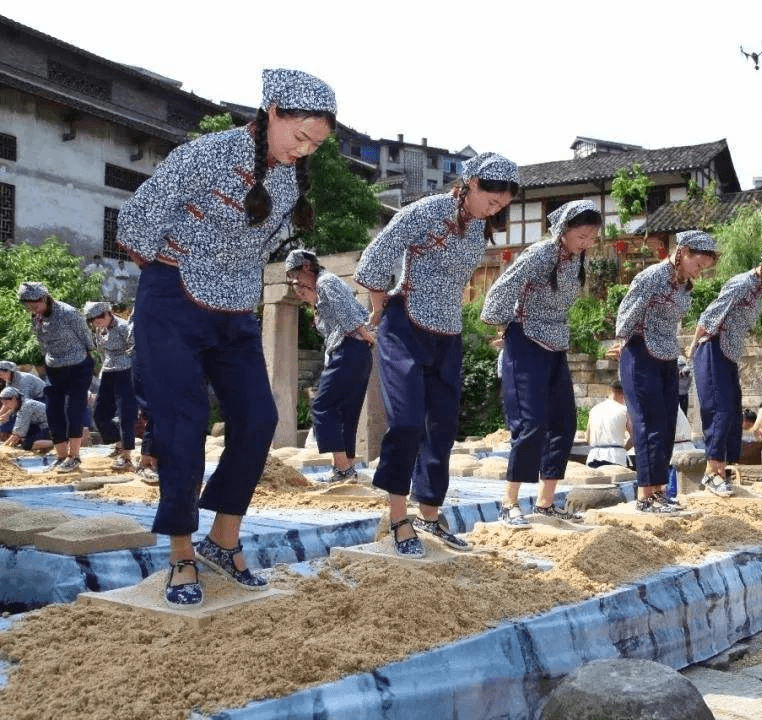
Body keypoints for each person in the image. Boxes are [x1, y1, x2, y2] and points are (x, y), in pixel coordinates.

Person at [118, 68, 336, 607]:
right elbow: (138, 218)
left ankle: (223, 540)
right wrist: (169, 264)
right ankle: (180, 554)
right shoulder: (208, 154)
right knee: (183, 422)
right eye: (300, 136)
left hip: (236, 308)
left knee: (259, 418)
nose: (303, 150)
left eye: (315, 144)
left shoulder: (287, 179)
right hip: (174, 297)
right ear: (272, 114)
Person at [354, 151, 518, 557]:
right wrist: (378, 309)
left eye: (503, 207)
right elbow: (377, 257)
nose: (495, 211)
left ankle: (430, 514)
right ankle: (397, 518)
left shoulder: (478, 228)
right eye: (492, 201)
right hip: (405, 327)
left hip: (448, 334)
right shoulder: (428, 211)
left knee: (441, 429)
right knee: (407, 422)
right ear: (472, 185)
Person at [481, 200, 600, 528]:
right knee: (530, 423)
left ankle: (546, 503)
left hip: (555, 344)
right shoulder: (540, 254)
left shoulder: (576, 261)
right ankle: (510, 503)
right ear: (563, 230)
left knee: (563, 422)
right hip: (526, 338)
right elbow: (502, 289)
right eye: (582, 235)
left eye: (592, 237)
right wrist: (505, 327)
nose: (587, 242)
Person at [611, 230, 716, 513]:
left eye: (704, 268)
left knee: (667, 425)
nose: (699, 272)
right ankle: (645, 496)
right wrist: (622, 341)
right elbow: (626, 312)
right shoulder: (652, 277)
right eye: (698, 264)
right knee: (647, 424)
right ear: (683, 253)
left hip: (667, 355)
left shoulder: (684, 286)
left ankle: (658, 493)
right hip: (641, 351)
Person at [693, 247, 762, 496]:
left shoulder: (756, 290)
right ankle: (712, 473)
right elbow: (709, 317)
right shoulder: (742, 283)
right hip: (712, 347)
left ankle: (719, 471)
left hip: (727, 354)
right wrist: (693, 348)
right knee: (719, 410)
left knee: (731, 412)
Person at [285, 249, 375, 482]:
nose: (296, 284)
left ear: (306, 267)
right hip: (357, 351)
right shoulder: (326, 285)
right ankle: (346, 470)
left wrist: (366, 334)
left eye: (296, 276)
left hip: (349, 348)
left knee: (322, 405)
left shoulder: (325, 282)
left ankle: (343, 468)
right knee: (347, 410)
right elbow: (352, 312)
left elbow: (350, 316)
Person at [17, 281, 94, 473]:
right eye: (28, 306)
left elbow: (87, 338)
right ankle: (61, 456)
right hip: (54, 367)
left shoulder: (68, 313)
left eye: (34, 305)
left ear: (44, 298)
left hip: (77, 365)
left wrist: (86, 358)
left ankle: (74, 456)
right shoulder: (37, 317)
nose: (32, 309)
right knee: (53, 410)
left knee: (74, 409)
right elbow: (41, 340)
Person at [84, 301, 137, 471]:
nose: (96, 322)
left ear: (108, 314)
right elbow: (101, 352)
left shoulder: (123, 327)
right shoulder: (100, 330)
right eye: (92, 319)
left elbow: (134, 350)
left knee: (125, 413)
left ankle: (127, 455)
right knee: (100, 413)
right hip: (108, 371)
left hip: (125, 371)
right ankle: (119, 443)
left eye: (99, 317)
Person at [585, 381, 633, 469]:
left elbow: (587, 437)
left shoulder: (594, 409)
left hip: (594, 457)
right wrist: (623, 449)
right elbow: (634, 437)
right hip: (616, 457)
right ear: (623, 395)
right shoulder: (625, 411)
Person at [0, 360, 46, 443]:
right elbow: (7, 400)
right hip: (28, 400)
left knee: (20, 416)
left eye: (0, 374)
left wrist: (7, 414)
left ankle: (25, 437)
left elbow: (21, 404)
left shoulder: (23, 380)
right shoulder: (9, 381)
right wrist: (1, 414)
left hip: (43, 398)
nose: (0, 377)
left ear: (8, 371)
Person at [0, 387, 51, 451]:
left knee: (27, 445)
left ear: (14, 398)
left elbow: (17, 434)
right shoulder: (21, 404)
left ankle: (56, 443)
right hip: (41, 426)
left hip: (51, 427)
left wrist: (4, 447)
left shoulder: (26, 406)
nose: (6, 406)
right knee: (23, 440)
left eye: (6, 403)